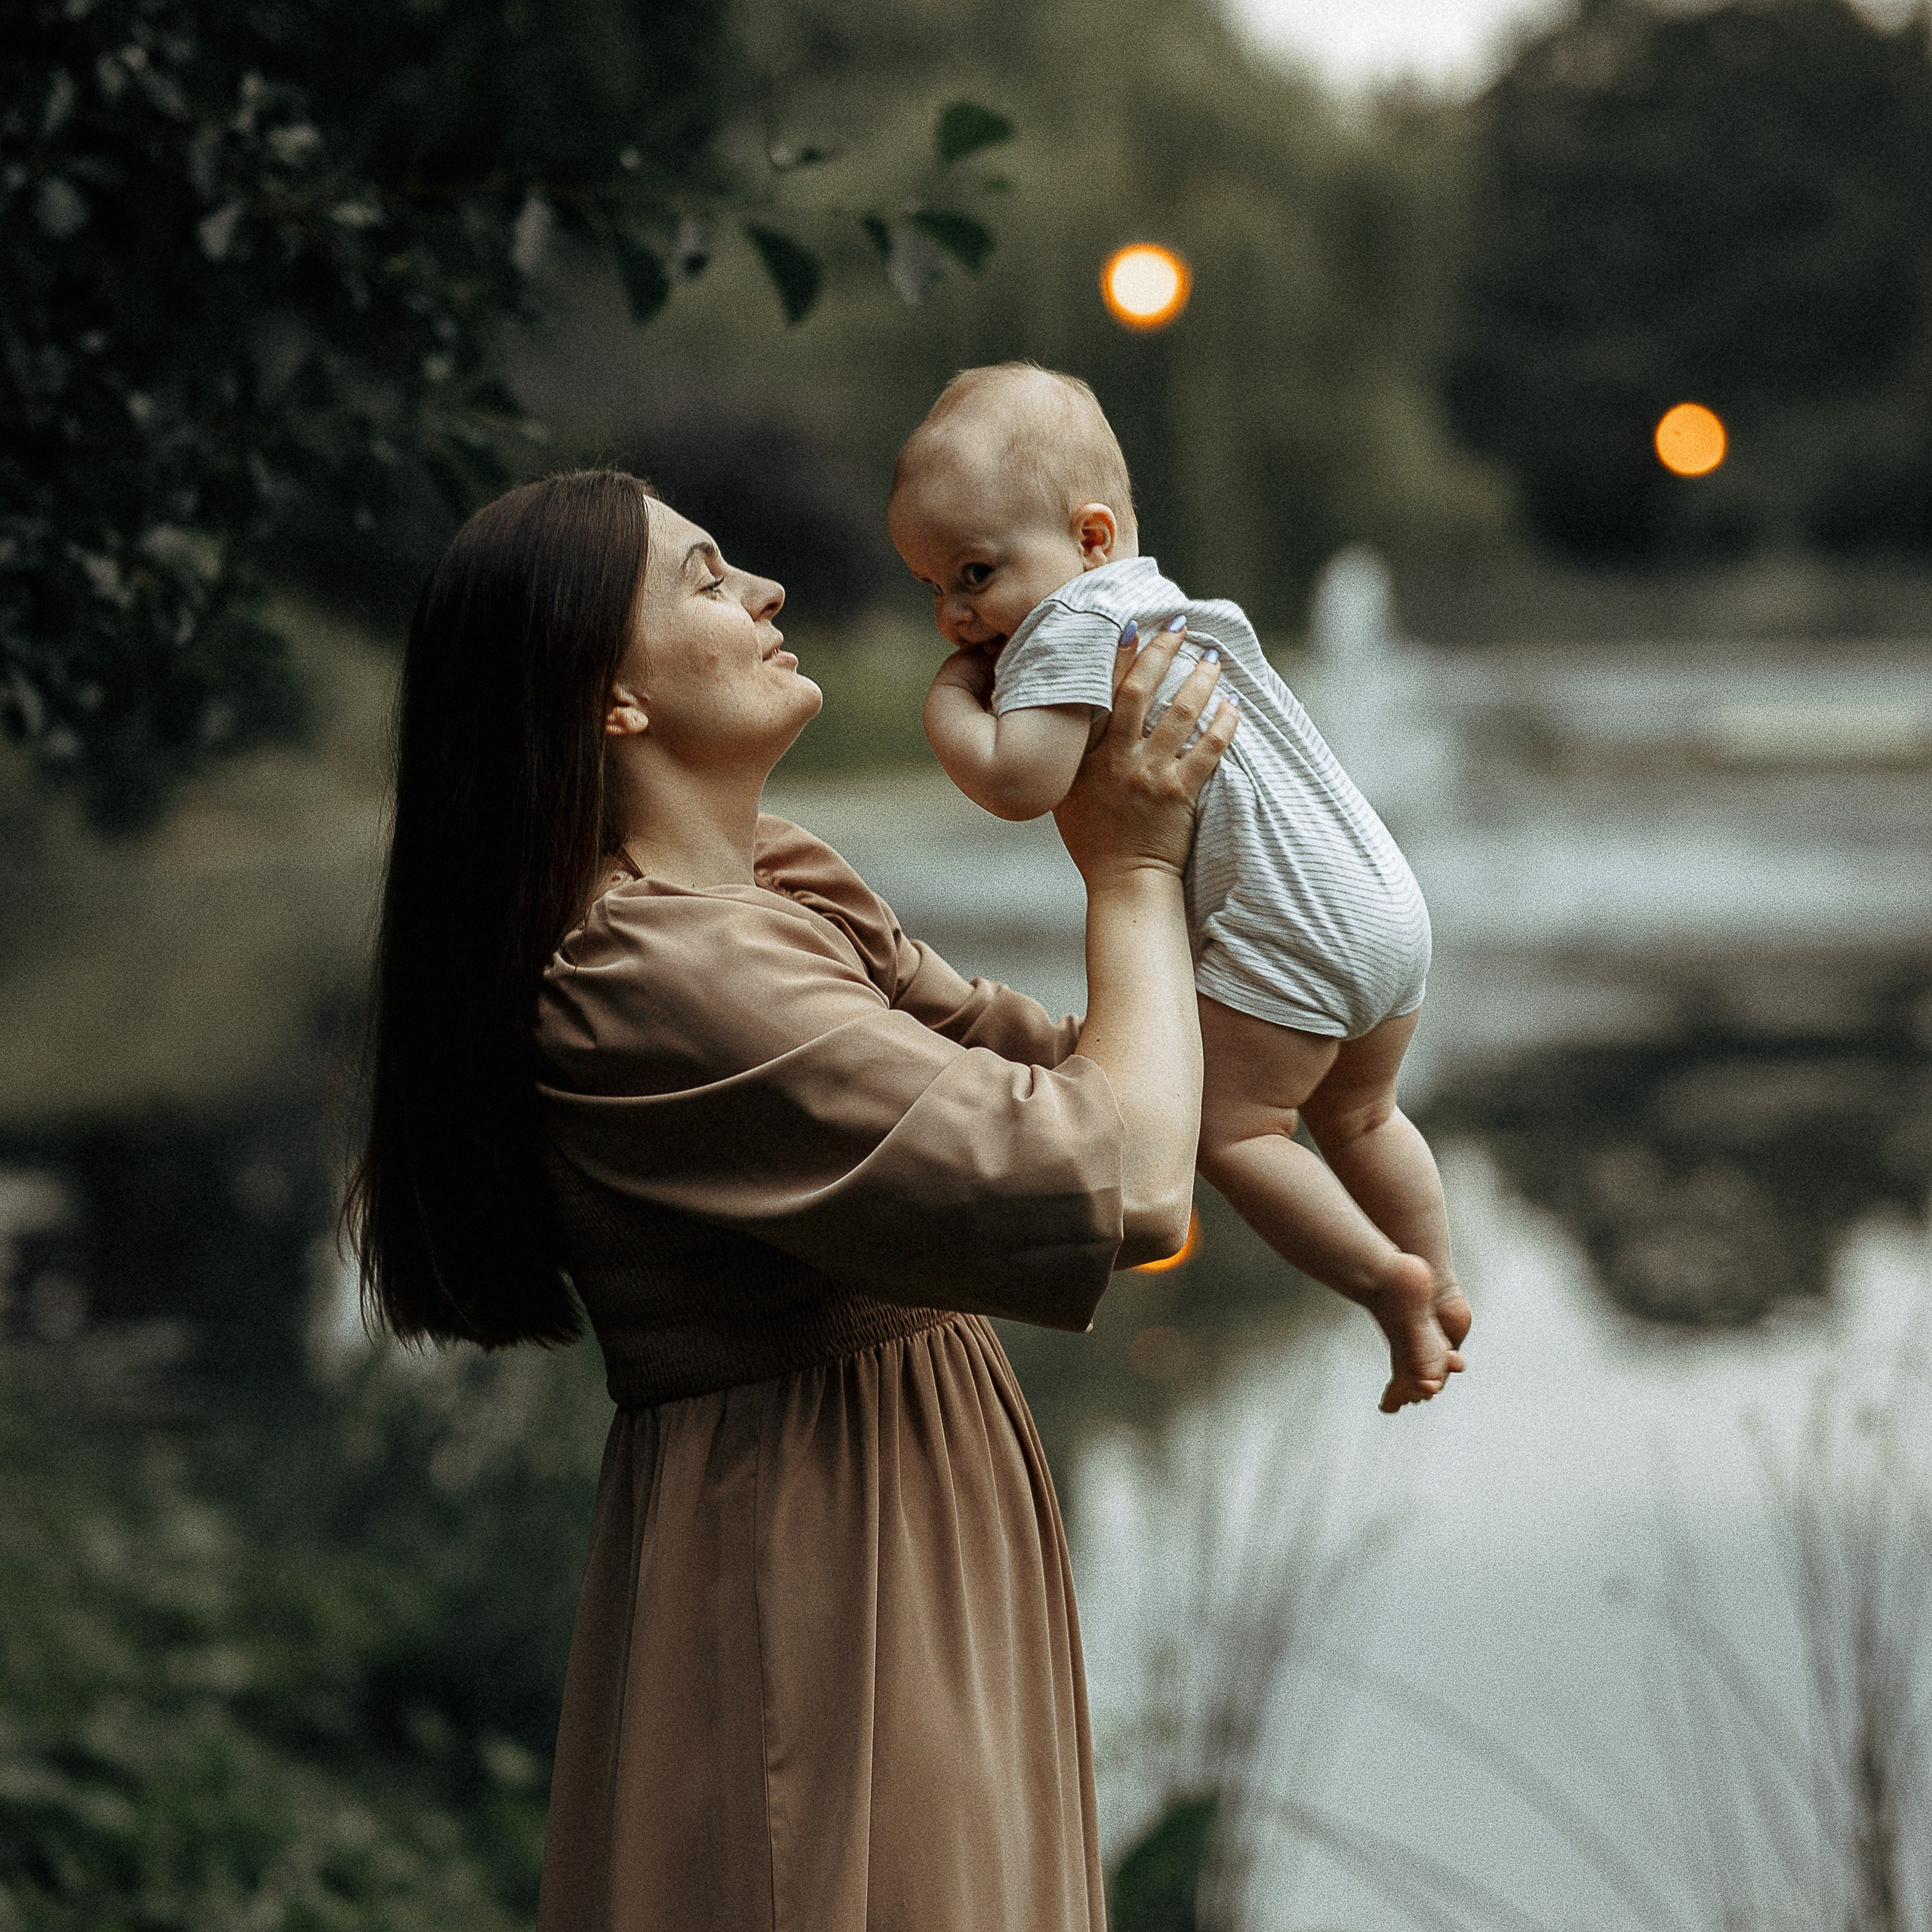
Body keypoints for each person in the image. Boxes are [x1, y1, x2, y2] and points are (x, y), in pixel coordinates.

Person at [346, 467, 1237, 1930]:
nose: (762, 590)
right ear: (607, 697)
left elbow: (1107, 1082)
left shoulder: (774, 890)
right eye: (701, 579)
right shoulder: (647, 975)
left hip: (907, 1545)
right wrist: (1127, 863)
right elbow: (1124, 1180)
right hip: (820, 1577)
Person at [888, 362, 1472, 1414]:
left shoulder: (1069, 626)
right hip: (1384, 910)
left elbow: (1021, 783)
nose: (956, 618)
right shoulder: (1165, 608)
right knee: (1368, 1116)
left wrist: (945, 712)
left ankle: (1388, 1284)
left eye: (974, 574)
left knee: (1239, 1136)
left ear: (1092, 538)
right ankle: (1445, 1279)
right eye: (933, 589)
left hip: (1288, 936)